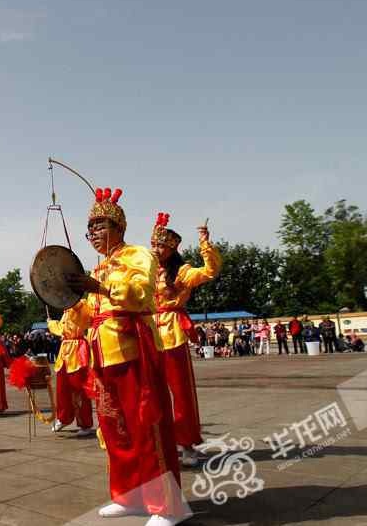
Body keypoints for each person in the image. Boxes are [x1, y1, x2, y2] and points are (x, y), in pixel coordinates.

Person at [63, 188, 187, 524]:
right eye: (89, 229)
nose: (93, 235)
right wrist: (72, 302)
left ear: (118, 226)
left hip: (133, 350)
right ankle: (130, 496)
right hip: (101, 355)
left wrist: (100, 288)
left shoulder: (137, 256)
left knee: (147, 429)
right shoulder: (99, 268)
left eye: (99, 226)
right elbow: (90, 313)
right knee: (115, 430)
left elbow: (140, 295)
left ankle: (168, 506)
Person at [151, 213, 221, 468]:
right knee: (150, 392)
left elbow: (210, 271)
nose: (156, 250)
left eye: (161, 245)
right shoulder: (147, 270)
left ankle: (187, 443)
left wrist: (205, 243)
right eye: (154, 245)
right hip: (148, 332)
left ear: (172, 248)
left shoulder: (182, 271)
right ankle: (157, 440)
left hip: (171, 333)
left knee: (180, 392)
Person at [46, 310, 94, 436]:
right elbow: (62, 328)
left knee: (80, 389)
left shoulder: (81, 306)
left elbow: (83, 319)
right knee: (62, 388)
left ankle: (85, 423)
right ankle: (63, 418)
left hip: (77, 349)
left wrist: (52, 324)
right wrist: (51, 323)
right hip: (65, 350)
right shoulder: (66, 311)